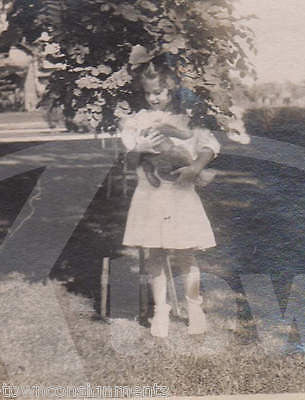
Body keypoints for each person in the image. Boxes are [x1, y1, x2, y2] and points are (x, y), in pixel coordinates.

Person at [119, 63, 220, 337]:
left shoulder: (186, 119)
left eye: (160, 92)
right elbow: (129, 159)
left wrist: (196, 167)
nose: (154, 97)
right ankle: (160, 311)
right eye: (149, 92)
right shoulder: (137, 121)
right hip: (150, 195)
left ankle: (194, 307)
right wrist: (138, 149)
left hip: (180, 194)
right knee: (155, 254)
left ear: (171, 90)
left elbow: (210, 145)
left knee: (185, 253)